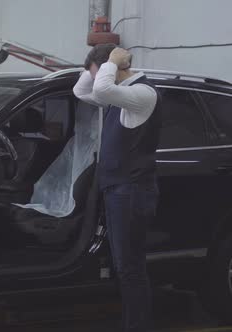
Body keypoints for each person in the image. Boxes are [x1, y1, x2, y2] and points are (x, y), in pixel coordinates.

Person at [73, 44, 161, 332]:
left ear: (118, 69)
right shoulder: (119, 97)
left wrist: (109, 62)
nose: (99, 80)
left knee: (131, 268)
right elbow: (82, 91)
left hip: (132, 191)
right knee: (125, 266)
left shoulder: (142, 94)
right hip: (119, 190)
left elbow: (101, 90)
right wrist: (99, 64)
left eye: (105, 73)